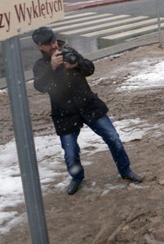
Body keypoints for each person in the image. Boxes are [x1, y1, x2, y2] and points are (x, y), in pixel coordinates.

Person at [32, 27, 143, 195]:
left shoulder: (69, 51)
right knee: (70, 152)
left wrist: (77, 64)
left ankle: (125, 170)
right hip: (64, 113)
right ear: (39, 47)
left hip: (88, 105)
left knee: (113, 138)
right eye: (48, 44)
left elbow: (90, 68)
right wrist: (52, 68)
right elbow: (40, 86)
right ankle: (77, 178)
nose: (54, 46)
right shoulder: (40, 66)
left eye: (54, 41)